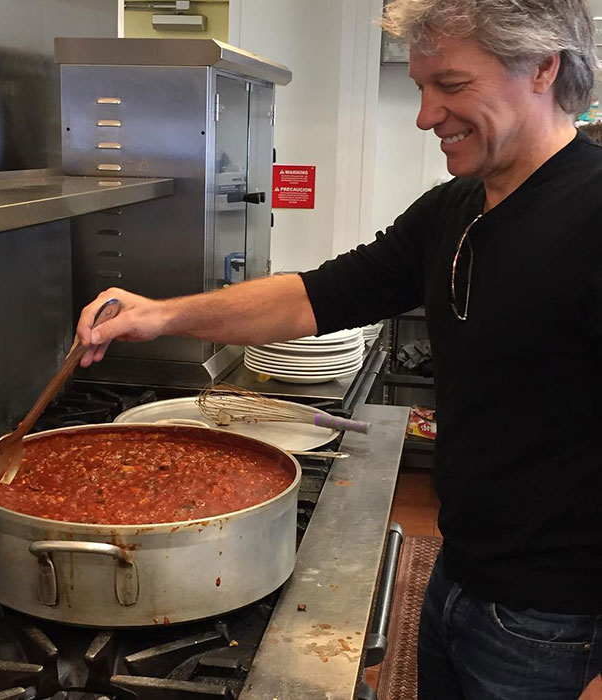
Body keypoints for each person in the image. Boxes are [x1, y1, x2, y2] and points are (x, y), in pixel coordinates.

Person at [76, 1, 602, 698]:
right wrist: (161, 313)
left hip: (553, 617)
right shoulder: (453, 208)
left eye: (450, 86)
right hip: (462, 571)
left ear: (542, 68)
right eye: (420, 88)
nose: (425, 115)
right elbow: (314, 296)